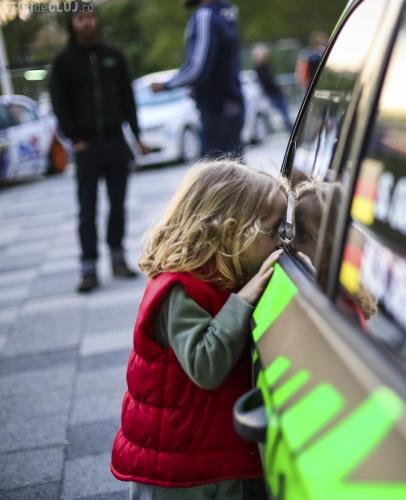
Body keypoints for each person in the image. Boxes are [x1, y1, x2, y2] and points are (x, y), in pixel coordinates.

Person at [111, 160, 288, 500]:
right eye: (273, 230)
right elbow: (205, 365)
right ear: (234, 232)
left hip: (208, 457)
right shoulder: (178, 290)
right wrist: (244, 300)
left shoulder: (219, 277)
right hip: (174, 471)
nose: (281, 242)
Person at [49, 1, 148, 293]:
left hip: (115, 142)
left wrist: (136, 135)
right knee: (87, 209)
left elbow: (128, 99)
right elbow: (59, 103)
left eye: (91, 17)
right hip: (86, 147)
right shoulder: (63, 62)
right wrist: (73, 137)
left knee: (118, 205)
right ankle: (88, 267)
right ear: (72, 24)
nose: (87, 22)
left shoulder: (114, 57)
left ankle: (118, 258)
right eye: (81, 18)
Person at [151, 0, 245, 158]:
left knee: (217, 166)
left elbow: (198, 67)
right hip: (231, 103)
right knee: (233, 163)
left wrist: (166, 85)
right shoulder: (226, 12)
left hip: (216, 108)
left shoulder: (204, 16)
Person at [252, 45, 294, 132]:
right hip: (271, 93)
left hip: (275, 92)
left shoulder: (267, 65)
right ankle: (290, 128)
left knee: (284, 111)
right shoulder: (259, 68)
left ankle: (290, 128)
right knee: (282, 111)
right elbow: (267, 81)